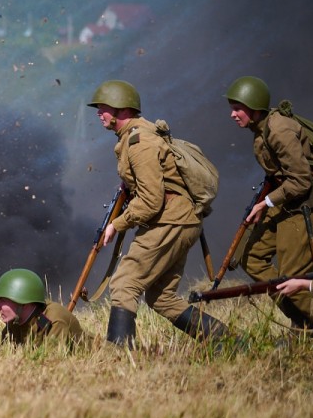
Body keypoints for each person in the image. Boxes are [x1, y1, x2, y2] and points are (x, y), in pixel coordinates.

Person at [87, 81, 228, 347]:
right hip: (179, 220)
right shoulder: (140, 135)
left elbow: (152, 201)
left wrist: (117, 224)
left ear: (121, 108)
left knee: (125, 283)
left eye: (103, 107)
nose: (98, 113)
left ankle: (120, 355)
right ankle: (230, 341)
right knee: (161, 298)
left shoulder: (140, 142)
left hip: (169, 221)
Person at [224, 76, 313, 332]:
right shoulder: (262, 129)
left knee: (291, 276)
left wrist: (265, 203)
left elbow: (300, 181)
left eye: (237, 108)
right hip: (288, 202)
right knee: (252, 256)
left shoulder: (278, 130)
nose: (232, 114)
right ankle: (302, 320)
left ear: (254, 108)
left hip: (304, 206)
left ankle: (307, 324)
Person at [0, 268, 84, 347]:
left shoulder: (53, 321)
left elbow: (54, 363)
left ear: (23, 302)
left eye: (3, 300)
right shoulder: (15, 323)